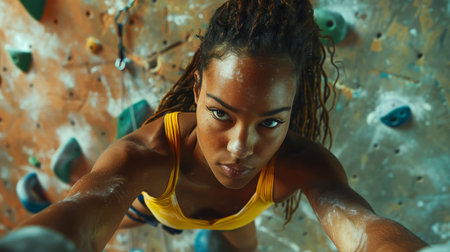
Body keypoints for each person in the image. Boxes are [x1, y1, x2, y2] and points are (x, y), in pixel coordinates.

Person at [16, 0, 428, 251]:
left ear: (290, 110)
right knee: (128, 217)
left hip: (237, 220)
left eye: (269, 121)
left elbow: (363, 234)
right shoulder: (146, 157)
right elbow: (82, 219)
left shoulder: (303, 165)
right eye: (220, 114)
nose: (239, 148)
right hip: (156, 206)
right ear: (196, 90)